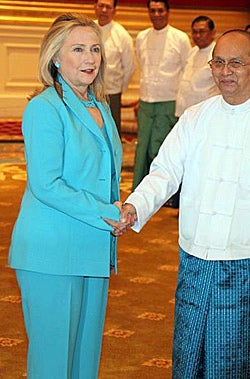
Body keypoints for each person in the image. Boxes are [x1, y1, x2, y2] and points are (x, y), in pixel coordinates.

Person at [109, 29, 250, 378]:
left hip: (247, 264)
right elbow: (165, 171)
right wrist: (136, 205)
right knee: (190, 354)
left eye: (236, 63)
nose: (225, 71)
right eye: (218, 62)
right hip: (195, 257)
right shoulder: (195, 117)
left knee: (237, 360)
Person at [8, 13, 122, 379]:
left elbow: (102, 174)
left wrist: (122, 207)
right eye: (77, 49)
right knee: (53, 364)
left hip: (92, 247)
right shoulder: (44, 107)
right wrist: (108, 212)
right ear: (56, 58)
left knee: (84, 361)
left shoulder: (99, 106)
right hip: (51, 252)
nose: (90, 58)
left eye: (94, 49)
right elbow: (46, 184)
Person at [132, 0, 191, 190]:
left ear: (167, 12)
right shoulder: (141, 37)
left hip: (168, 100)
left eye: (160, 10)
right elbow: (141, 63)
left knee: (160, 148)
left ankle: (162, 190)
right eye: (153, 10)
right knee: (142, 148)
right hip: (146, 98)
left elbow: (186, 70)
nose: (156, 14)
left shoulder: (180, 38)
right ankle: (140, 189)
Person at [94, 0, 135, 134]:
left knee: (111, 133)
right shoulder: (88, 29)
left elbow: (129, 67)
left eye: (108, 7)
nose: (104, 10)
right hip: (87, 91)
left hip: (112, 93)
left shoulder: (122, 35)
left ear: (114, 11)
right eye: (101, 6)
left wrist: (118, 89)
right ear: (95, 7)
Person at [175, 15, 220, 118]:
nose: (198, 35)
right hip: (185, 111)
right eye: (194, 32)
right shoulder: (192, 52)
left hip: (205, 113)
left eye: (202, 31)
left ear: (213, 33)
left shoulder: (218, 54)